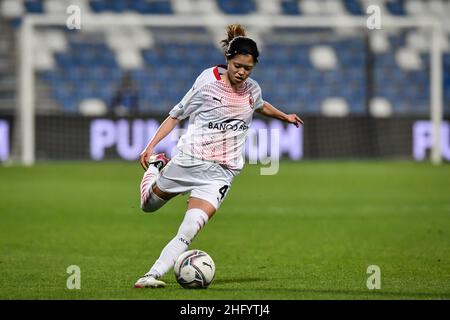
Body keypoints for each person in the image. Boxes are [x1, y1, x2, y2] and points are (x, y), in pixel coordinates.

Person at [134, 24, 303, 288]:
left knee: (190, 229)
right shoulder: (207, 82)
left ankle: (151, 275)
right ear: (228, 60)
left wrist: (284, 116)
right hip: (189, 160)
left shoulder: (251, 90)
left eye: (248, 68)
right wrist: (150, 146)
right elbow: (175, 115)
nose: (242, 72)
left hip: (220, 174)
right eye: (237, 66)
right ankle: (157, 166)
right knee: (148, 206)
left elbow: (260, 105)